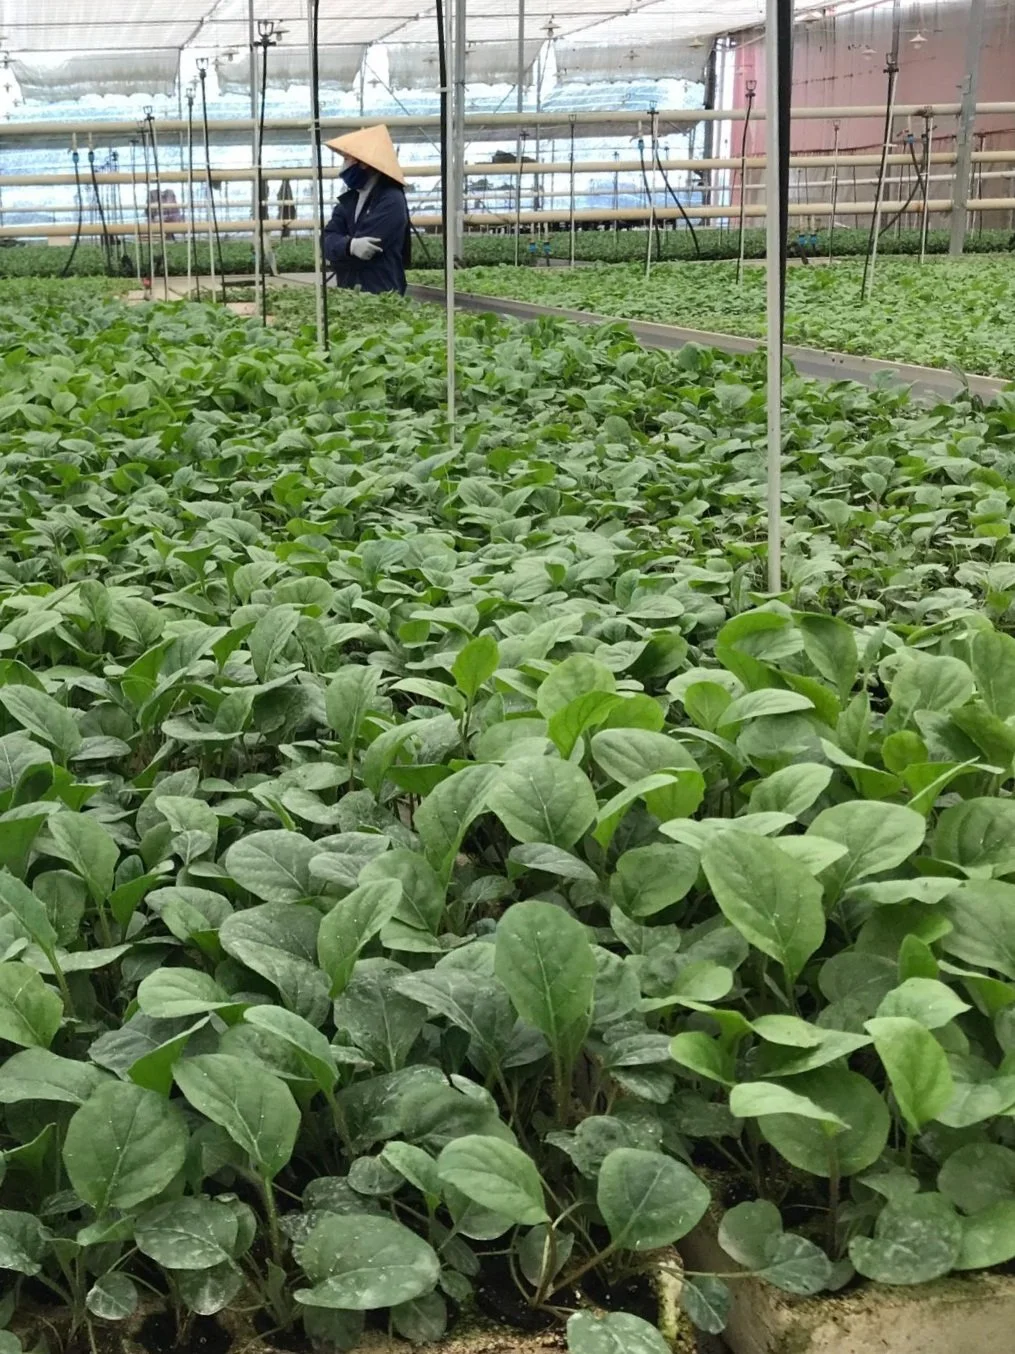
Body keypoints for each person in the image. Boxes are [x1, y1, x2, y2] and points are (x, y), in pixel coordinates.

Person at [322, 124, 410, 295]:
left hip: (381, 293)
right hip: (349, 292)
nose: (343, 167)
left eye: (347, 159)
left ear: (363, 164)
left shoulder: (391, 200)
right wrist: (350, 246)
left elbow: (368, 251)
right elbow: (325, 241)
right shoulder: (350, 199)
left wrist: (341, 249)